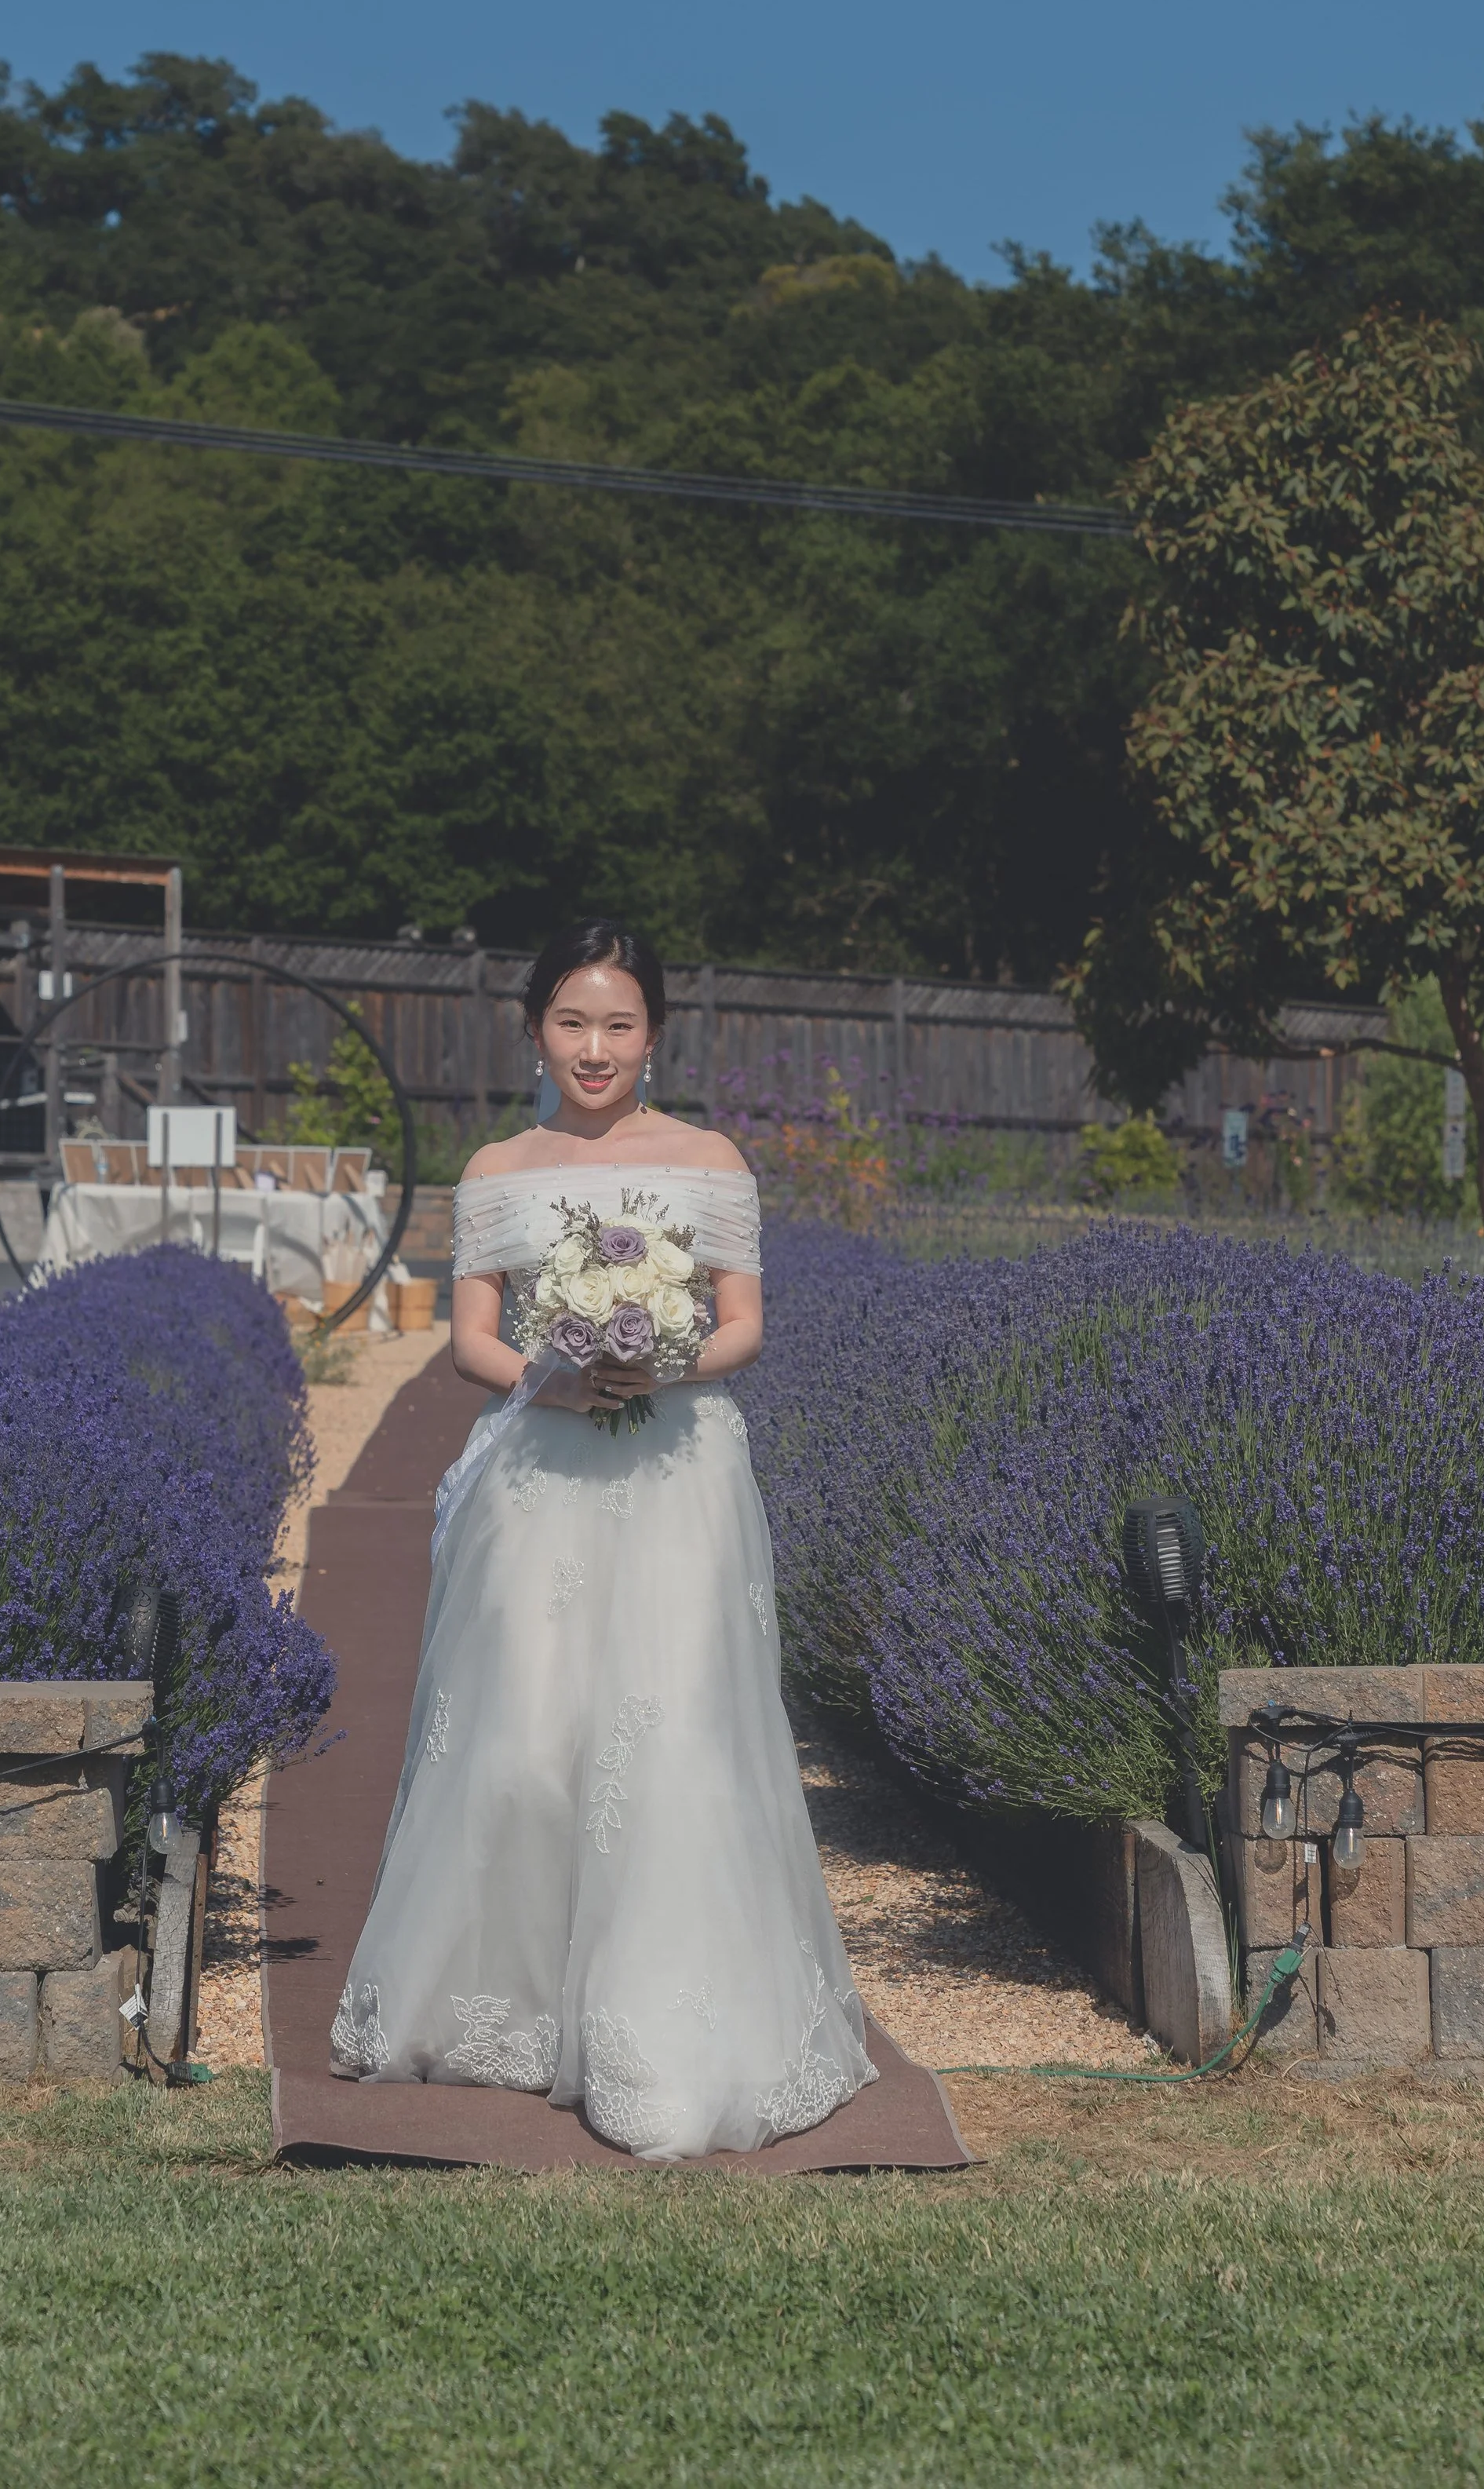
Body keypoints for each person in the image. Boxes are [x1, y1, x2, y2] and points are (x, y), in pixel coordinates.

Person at [328, 919, 875, 2158]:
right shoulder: (494, 1169)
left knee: (670, 1731)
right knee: (522, 1735)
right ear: (536, 1029)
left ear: (654, 1034)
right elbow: (471, 1336)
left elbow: (744, 1323)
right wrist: (557, 1374)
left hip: (681, 1467)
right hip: (540, 1464)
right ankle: (509, 2014)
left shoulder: (708, 1158)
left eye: (618, 1023)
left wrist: (658, 1358)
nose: (595, 1046)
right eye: (573, 1021)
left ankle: (655, 2033)